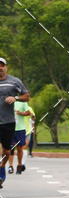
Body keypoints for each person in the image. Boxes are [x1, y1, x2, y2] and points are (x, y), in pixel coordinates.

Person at [0, 57, 30, 188]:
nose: (0, 68)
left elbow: (26, 96)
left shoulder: (14, 81)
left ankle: (2, 170)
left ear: (6, 67)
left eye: (2, 65)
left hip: (8, 122)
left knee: (7, 151)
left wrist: (15, 97)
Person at [12, 97, 34, 174]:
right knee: (9, 148)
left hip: (23, 129)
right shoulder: (5, 101)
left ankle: (20, 164)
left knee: (21, 148)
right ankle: (10, 166)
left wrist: (20, 113)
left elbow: (31, 115)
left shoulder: (24, 103)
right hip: (9, 128)